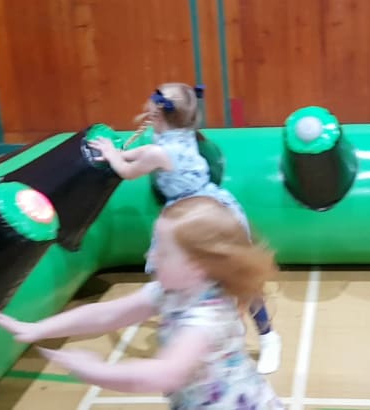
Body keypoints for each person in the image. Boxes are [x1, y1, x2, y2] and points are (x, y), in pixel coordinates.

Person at [0, 196, 284, 410]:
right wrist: (39, 328)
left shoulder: (205, 320)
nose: (149, 256)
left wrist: (95, 370)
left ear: (196, 267)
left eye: (162, 252)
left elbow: (161, 374)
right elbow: (107, 314)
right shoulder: (171, 291)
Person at [85, 82, 282, 374]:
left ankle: (268, 337)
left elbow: (127, 171)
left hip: (200, 217)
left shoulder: (160, 150)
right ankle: (208, 331)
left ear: (157, 112)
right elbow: (143, 153)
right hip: (199, 210)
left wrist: (112, 154)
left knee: (236, 276)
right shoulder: (180, 135)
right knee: (183, 277)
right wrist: (118, 153)